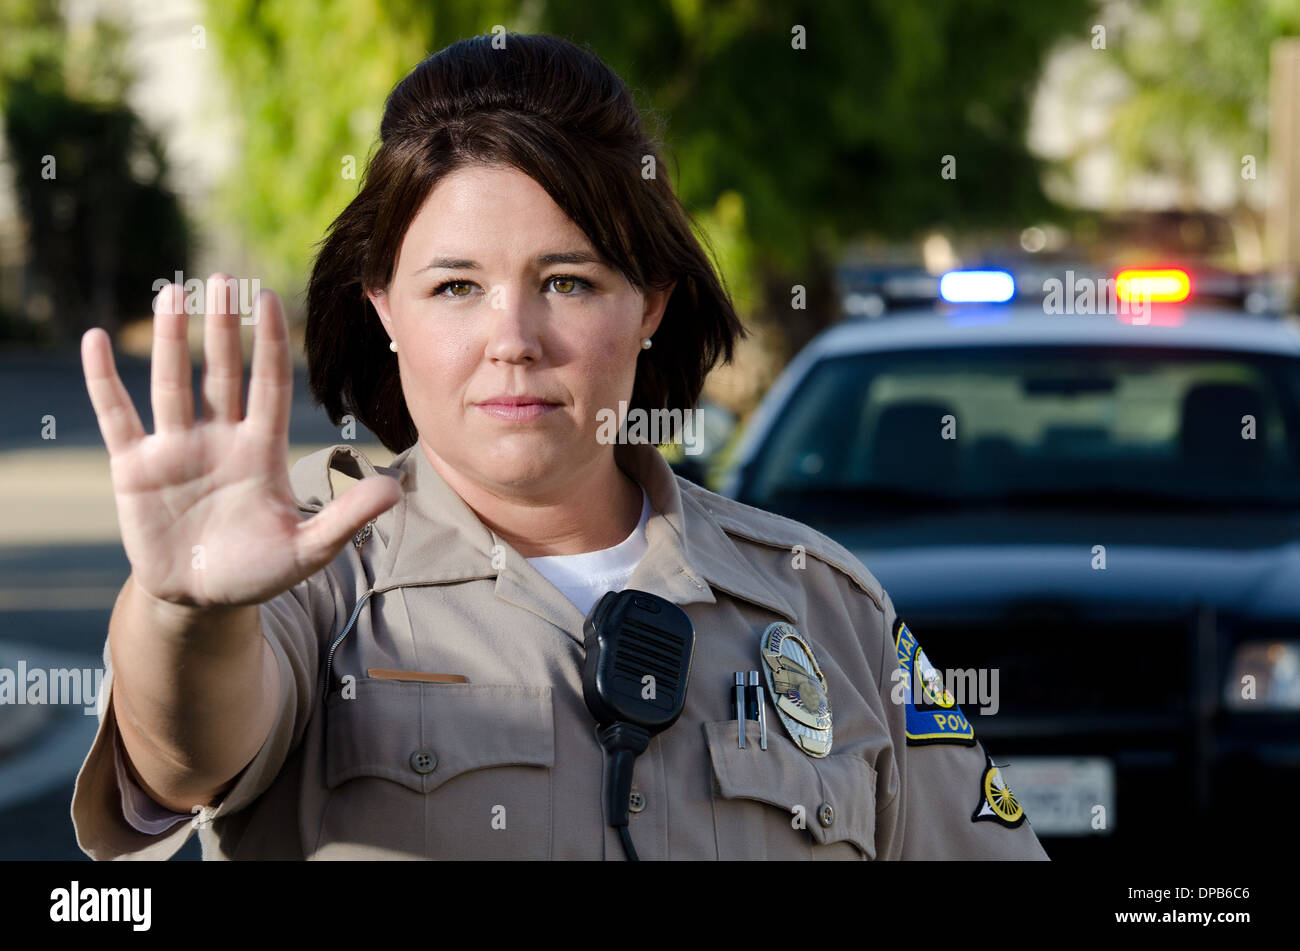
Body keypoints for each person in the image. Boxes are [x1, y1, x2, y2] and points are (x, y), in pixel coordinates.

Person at [71, 32, 1047, 860]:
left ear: (649, 307)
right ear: (384, 311)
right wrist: (185, 610)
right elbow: (182, 756)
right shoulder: (311, 577)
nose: (514, 339)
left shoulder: (824, 605)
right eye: (455, 286)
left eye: (568, 282)